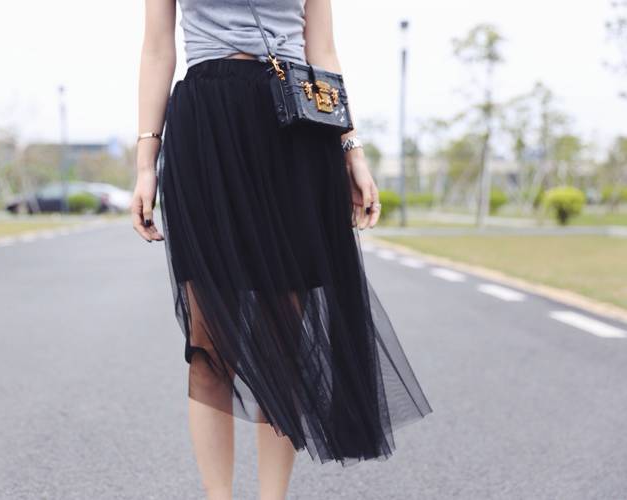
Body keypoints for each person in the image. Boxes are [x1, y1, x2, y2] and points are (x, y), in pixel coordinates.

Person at [132, 1, 432, 498]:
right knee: (208, 344)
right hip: (206, 128)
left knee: (284, 338)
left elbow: (322, 49)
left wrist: (351, 149)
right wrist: (147, 164)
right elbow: (158, 48)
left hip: (292, 129)